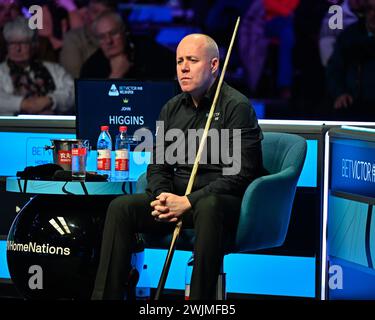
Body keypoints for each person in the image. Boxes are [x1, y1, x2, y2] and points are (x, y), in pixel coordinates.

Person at [91, 34, 264, 300]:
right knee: (120, 208)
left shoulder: (236, 107)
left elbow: (241, 174)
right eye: (179, 61)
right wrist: (163, 197)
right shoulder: (171, 108)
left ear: (214, 65)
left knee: (209, 206)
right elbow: (158, 165)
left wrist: (188, 201)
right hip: (174, 198)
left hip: (221, 202)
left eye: (192, 61)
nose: (183, 68)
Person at [0, 17, 74, 115]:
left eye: (23, 43)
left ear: (34, 45)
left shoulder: (55, 70)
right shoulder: (1, 71)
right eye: (12, 43)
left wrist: (50, 100)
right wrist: (23, 104)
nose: (17, 48)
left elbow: (73, 93)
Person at [80, 11, 175, 79]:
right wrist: (115, 75)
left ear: (125, 31)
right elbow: (94, 104)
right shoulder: (91, 68)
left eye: (113, 33)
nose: (109, 41)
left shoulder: (149, 49)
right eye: (102, 37)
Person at [326, 0, 375, 120]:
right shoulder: (350, 36)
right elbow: (334, 69)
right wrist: (340, 93)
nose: (374, 15)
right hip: (355, 103)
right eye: (370, 9)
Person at [60, 0, 117, 78]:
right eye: (96, 12)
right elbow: (75, 81)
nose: (100, 17)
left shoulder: (120, 38)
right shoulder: (74, 39)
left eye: (105, 13)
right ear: (86, 14)